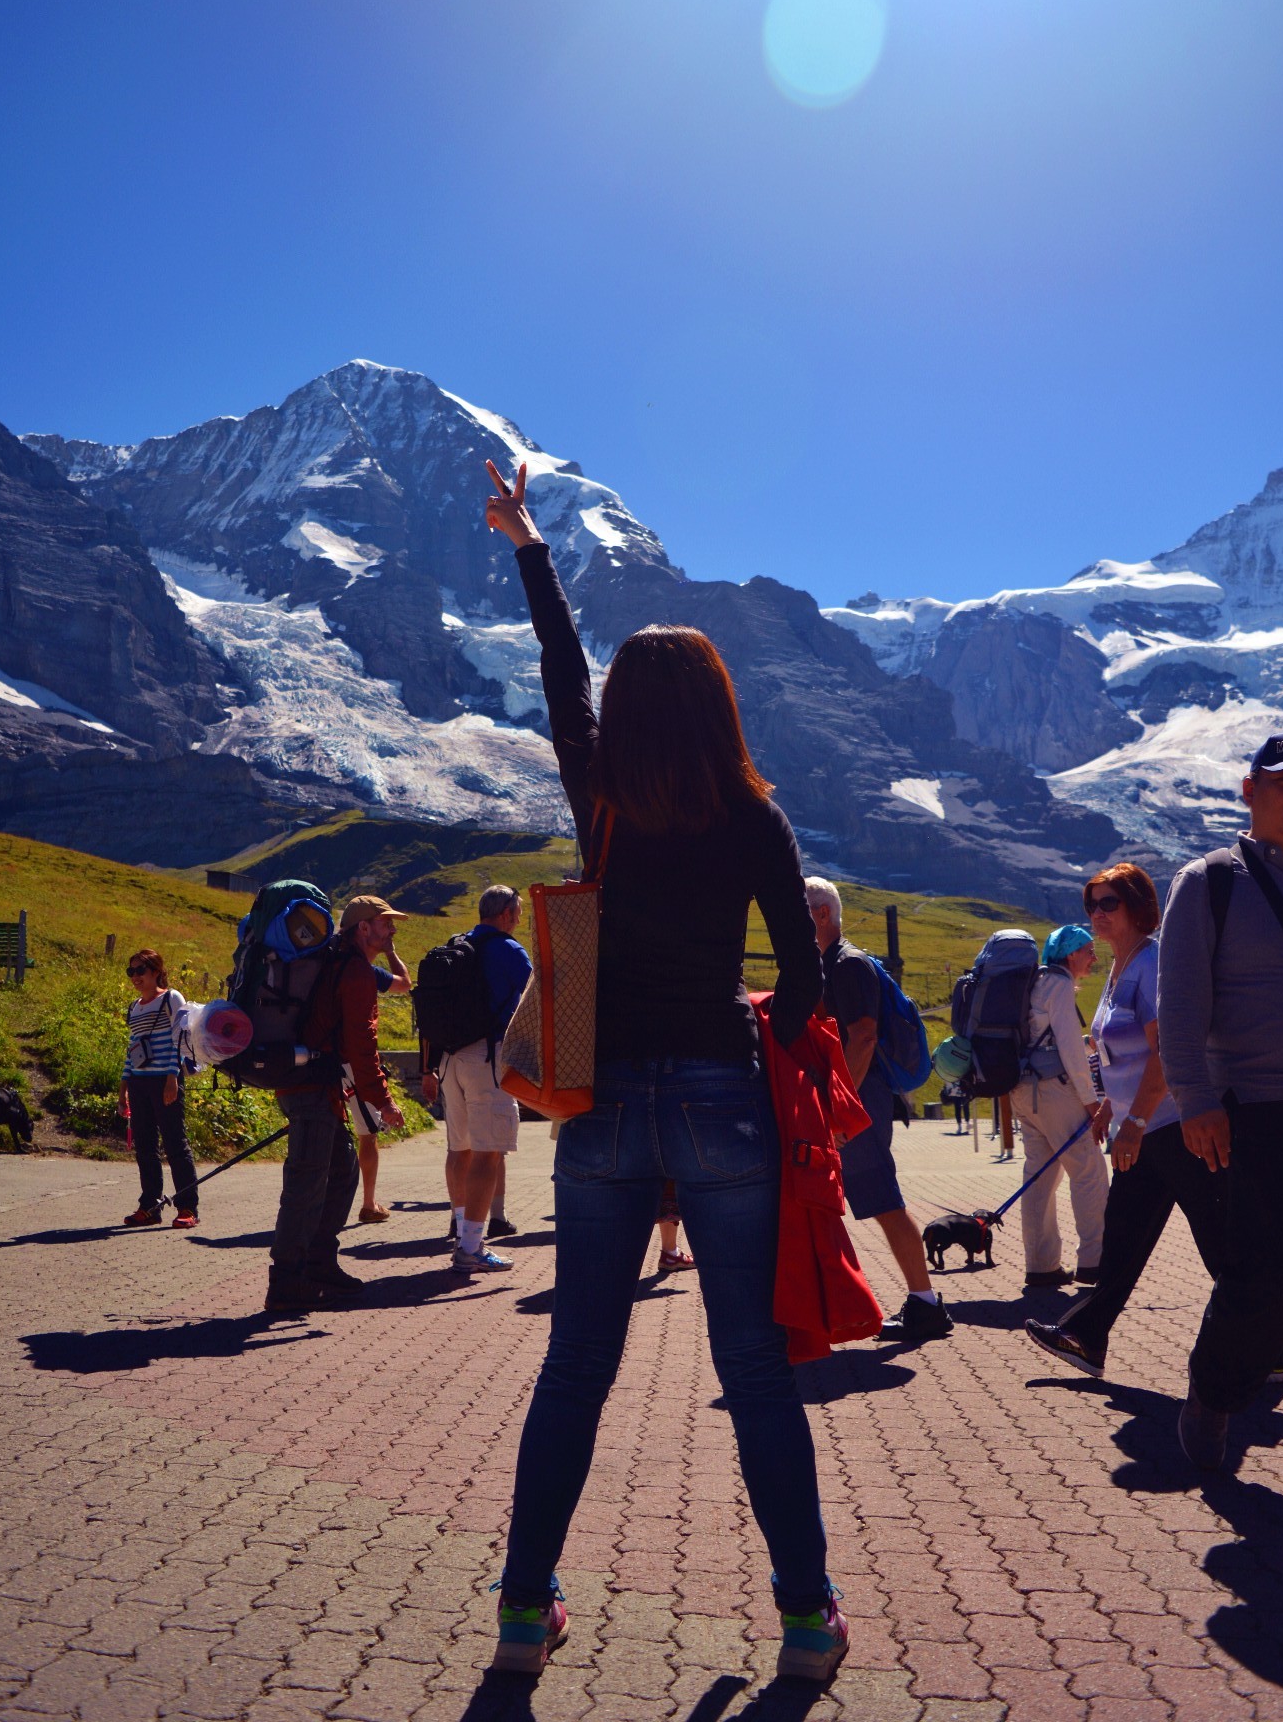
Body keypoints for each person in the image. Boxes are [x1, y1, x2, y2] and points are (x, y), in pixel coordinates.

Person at [483, 459, 844, 1684]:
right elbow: (802, 979)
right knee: (754, 1365)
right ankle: (805, 1618)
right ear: (722, 705)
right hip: (720, 1092)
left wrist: (532, 545)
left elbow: (562, 679)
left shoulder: (602, 798)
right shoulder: (757, 815)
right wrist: (748, 1026)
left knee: (577, 1358)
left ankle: (525, 1610)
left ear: (630, 716)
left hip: (602, 1099)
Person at [1158, 731, 1283, 1472]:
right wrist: (1195, 1099)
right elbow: (1178, 1005)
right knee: (1264, 1279)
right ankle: (1212, 1399)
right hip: (1260, 1116)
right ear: (1248, 791)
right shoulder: (1210, 882)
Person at [1026, 868, 1228, 1379]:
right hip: (1140, 1132)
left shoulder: (1153, 964)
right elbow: (1114, 1054)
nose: (1097, 912)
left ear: (1137, 906)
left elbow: (1167, 1051)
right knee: (1122, 1239)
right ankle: (1087, 1336)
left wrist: (1134, 1118)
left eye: (1109, 902)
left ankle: (1265, 1348)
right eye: (1091, 903)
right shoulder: (1120, 967)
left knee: (1218, 1241)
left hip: (1173, 1129)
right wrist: (1108, 1109)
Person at [804, 879, 953, 1344]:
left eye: (799, 912)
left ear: (822, 914)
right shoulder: (833, 963)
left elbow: (863, 1037)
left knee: (884, 1200)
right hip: (858, 1098)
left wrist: (839, 1107)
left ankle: (926, 1306)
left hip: (860, 1100)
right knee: (859, 1200)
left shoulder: (846, 965)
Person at [266, 895, 406, 1316]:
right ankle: (286, 1283)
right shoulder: (355, 970)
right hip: (309, 1087)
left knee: (344, 1171)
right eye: (386, 924)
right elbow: (363, 1048)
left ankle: (320, 1264)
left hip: (311, 1085)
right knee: (304, 1187)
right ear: (364, 928)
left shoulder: (340, 961)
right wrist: (383, 1102)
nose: (392, 930)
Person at [423, 884, 532, 1273]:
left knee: (460, 1148)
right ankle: (471, 1247)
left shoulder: (458, 944)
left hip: (450, 1059)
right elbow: (535, 999)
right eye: (518, 912)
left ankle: (461, 1225)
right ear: (504, 913)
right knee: (488, 1152)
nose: (520, 918)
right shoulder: (508, 950)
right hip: (488, 1058)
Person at [1007, 923, 1110, 1289]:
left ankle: (1041, 1265)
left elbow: (1047, 1039)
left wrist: (1084, 1044)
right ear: (1071, 954)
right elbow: (1066, 1049)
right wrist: (1091, 1103)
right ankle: (1095, 1262)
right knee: (1090, 1172)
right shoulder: (1060, 984)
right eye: (1088, 951)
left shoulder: (1035, 981)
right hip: (1053, 1092)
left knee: (1040, 1176)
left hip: (1023, 1090)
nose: (1094, 958)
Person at [117, 949, 199, 1229]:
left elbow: (180, 1039)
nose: (135, 977)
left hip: (165, 1080)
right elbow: (132, 1049)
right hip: (139, 1082)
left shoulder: (171, 998)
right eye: (131, 972)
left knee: (176, 1144)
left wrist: (172, 1078)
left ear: (155, 971)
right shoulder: (135, 1007)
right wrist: (123, 1089)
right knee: (145, 1147)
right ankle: (150, 1207)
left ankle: (188, 1207)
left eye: (140, 970)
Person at [352, 945, 413, 1224]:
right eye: (385, 923)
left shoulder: (333, 963)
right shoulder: (365, 971)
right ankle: (368, 1204)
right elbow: (405, 984)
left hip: (319, 1059)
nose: (391, 928)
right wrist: (390, 952)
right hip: (352, 1062)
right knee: (368, 1134)